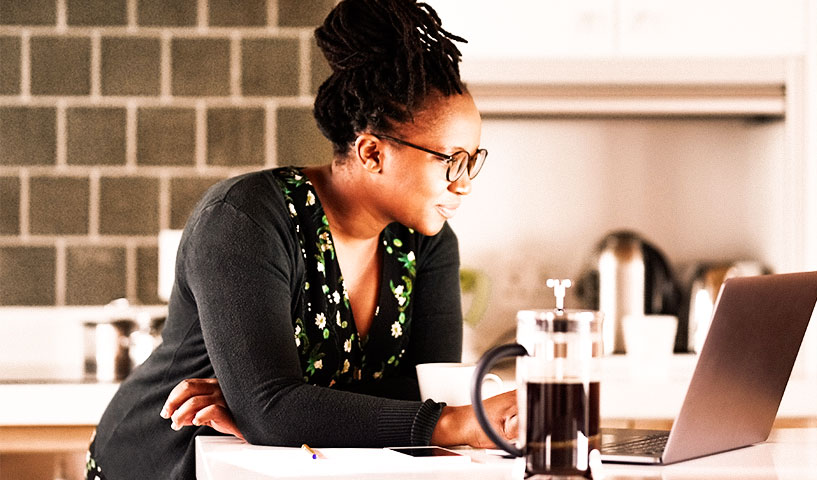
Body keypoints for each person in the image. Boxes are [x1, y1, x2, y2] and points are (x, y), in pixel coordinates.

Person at [85, 1, 517, 478]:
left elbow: (425, 394)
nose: (465, 184)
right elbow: (278, 410)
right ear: (372, 153)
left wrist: (277, 406)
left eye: (472, 161)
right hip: (162, 462)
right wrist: (275, 408)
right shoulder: (246, 219)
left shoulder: (425, 243)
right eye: (451, 160)